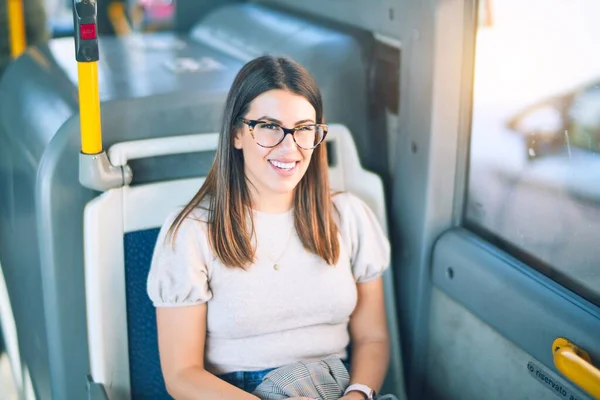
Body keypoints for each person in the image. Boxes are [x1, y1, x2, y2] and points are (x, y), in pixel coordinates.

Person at [147, 55, 392, 400]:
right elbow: (181, 375)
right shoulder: (192, 231)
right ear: (236, 133)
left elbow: (373, 338)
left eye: (304, 129)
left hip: (338, 388)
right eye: (269, 126)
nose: (289, 147)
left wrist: (357, 395)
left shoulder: (348, 217)